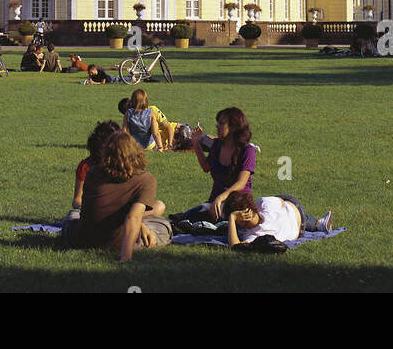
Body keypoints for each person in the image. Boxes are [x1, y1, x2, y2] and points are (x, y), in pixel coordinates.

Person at [75, 131, 172, 262]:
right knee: (164, 225)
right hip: (117, 242)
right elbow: (133, 217)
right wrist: (126, 257)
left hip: (85, 240)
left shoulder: (92, 173)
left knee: (73, 217)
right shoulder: (145, 180)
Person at [172, 107, 257, 225]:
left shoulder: (248, 151)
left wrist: (221, 198)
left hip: (237, 203)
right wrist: (196, 143)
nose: (217, 126)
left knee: (203, 218)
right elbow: (206, 167)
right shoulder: (217, 145)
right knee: (193, 217)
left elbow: (241, 183)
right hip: (214, 203)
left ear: (233, 127)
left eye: (221, 123)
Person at [223, 191, 332, 245]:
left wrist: (232, 218)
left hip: (296, 217)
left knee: (282, 209)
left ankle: (318, 223)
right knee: (282, 208)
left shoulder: (251, 236)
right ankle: (318, 223)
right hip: (295, 210)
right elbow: (280, 201)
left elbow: (234, 246)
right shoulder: (263, 204)